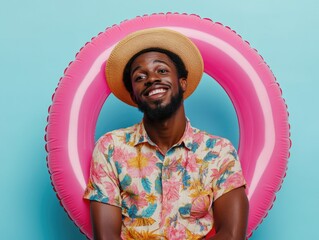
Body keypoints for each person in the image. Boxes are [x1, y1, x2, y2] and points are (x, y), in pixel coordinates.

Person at [83, 28, 248, 240]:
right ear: (134, 96)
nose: (151, 79)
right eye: (140, 76)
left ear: (182, 83)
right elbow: (106, 237)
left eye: (161, 71)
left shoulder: (218, 151)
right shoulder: (110, 148)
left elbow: (232, 235)